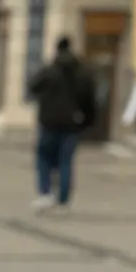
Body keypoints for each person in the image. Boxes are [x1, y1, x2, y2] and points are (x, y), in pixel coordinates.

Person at [28, 36, 97, 214]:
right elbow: (89, 100)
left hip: (49, 122)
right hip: (71, 123)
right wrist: (87, 122)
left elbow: (32, 86)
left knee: (44, 158)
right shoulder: (82, 73)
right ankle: (63, 200)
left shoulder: (49, 70)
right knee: (65, 161)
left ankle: (46, 193)